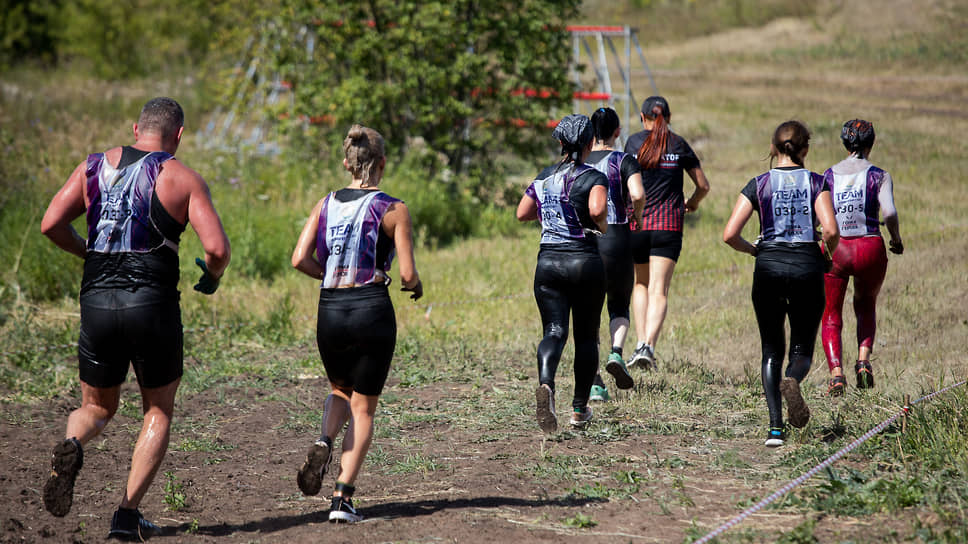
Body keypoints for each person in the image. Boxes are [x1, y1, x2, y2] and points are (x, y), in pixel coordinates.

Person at [39, 97, 231, 539]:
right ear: (178, 135)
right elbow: (216, 250)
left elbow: (51, 223)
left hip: (98, 300)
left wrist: (90, 252)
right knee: (157, 410)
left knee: (95, 408)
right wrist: (213, 277)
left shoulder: (92, 166)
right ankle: (126, 516)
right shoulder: (182, 177)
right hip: (152, 304)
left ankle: (72, 444)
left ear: (135, 128)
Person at [291, 124, 422, 523]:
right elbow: (405, 274)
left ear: (346, 163)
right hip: (370, 309)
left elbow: (299, 259)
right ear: (381, 164)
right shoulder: (393, 209)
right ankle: (341, 500)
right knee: (364, 409)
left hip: (330, 309)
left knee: (339, 389)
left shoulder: (325, 203)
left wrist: (332, 273)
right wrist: (414, 285)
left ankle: (323, 438)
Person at [723, 120, 839, 447]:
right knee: (801, 348)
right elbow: (830, 230)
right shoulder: (816, 182)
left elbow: (729, 234)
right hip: (806, 268)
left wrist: (753, 250)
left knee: (771, 349)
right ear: (805, 149)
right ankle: (794, 379)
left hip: (768, 268)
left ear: (774, 148)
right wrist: (825, 254)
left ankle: (775, 428)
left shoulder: (759, 183)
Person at [516, 114, 609, 432]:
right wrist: (603, 225)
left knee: (554, 331)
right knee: (586, 337)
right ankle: (580, 410)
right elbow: (597, 210)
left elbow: (522, 212)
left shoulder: (543, 177)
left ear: (560, 143)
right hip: (584, 261)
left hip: (548, 264)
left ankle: (546, 383)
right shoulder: (594, 177)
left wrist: (550, 216)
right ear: (589, 144)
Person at [623, 96, 710, 370]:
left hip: (637, 225)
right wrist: (693, 203)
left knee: (640, 284)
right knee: (659, 289)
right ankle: (648, 346)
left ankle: (639, 343)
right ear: (669, 117)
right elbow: (703, 185)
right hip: (669, 225)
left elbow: (626, 184)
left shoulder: (633, 143)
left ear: (642, 116)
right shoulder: (679, 144)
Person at [821, 119, 903, 395]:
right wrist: (895, 238)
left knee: (831, 312)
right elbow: (889, 212)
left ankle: (836, 373)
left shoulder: (828, 175)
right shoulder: (879, 175)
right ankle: (863, 360)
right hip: (870, 246)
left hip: (837, 248)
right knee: (866, 304)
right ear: (872, 143)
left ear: (844, 143)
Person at [586, 107, 645, 402]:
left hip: (586, 242)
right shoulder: (623, 160)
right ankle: (617, 353)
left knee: (588, 314)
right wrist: (637, 216)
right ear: (618, 132)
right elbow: (637, 193)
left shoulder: (580, 161)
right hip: (618, 239)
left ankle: (595, 382)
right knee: (619, 305)